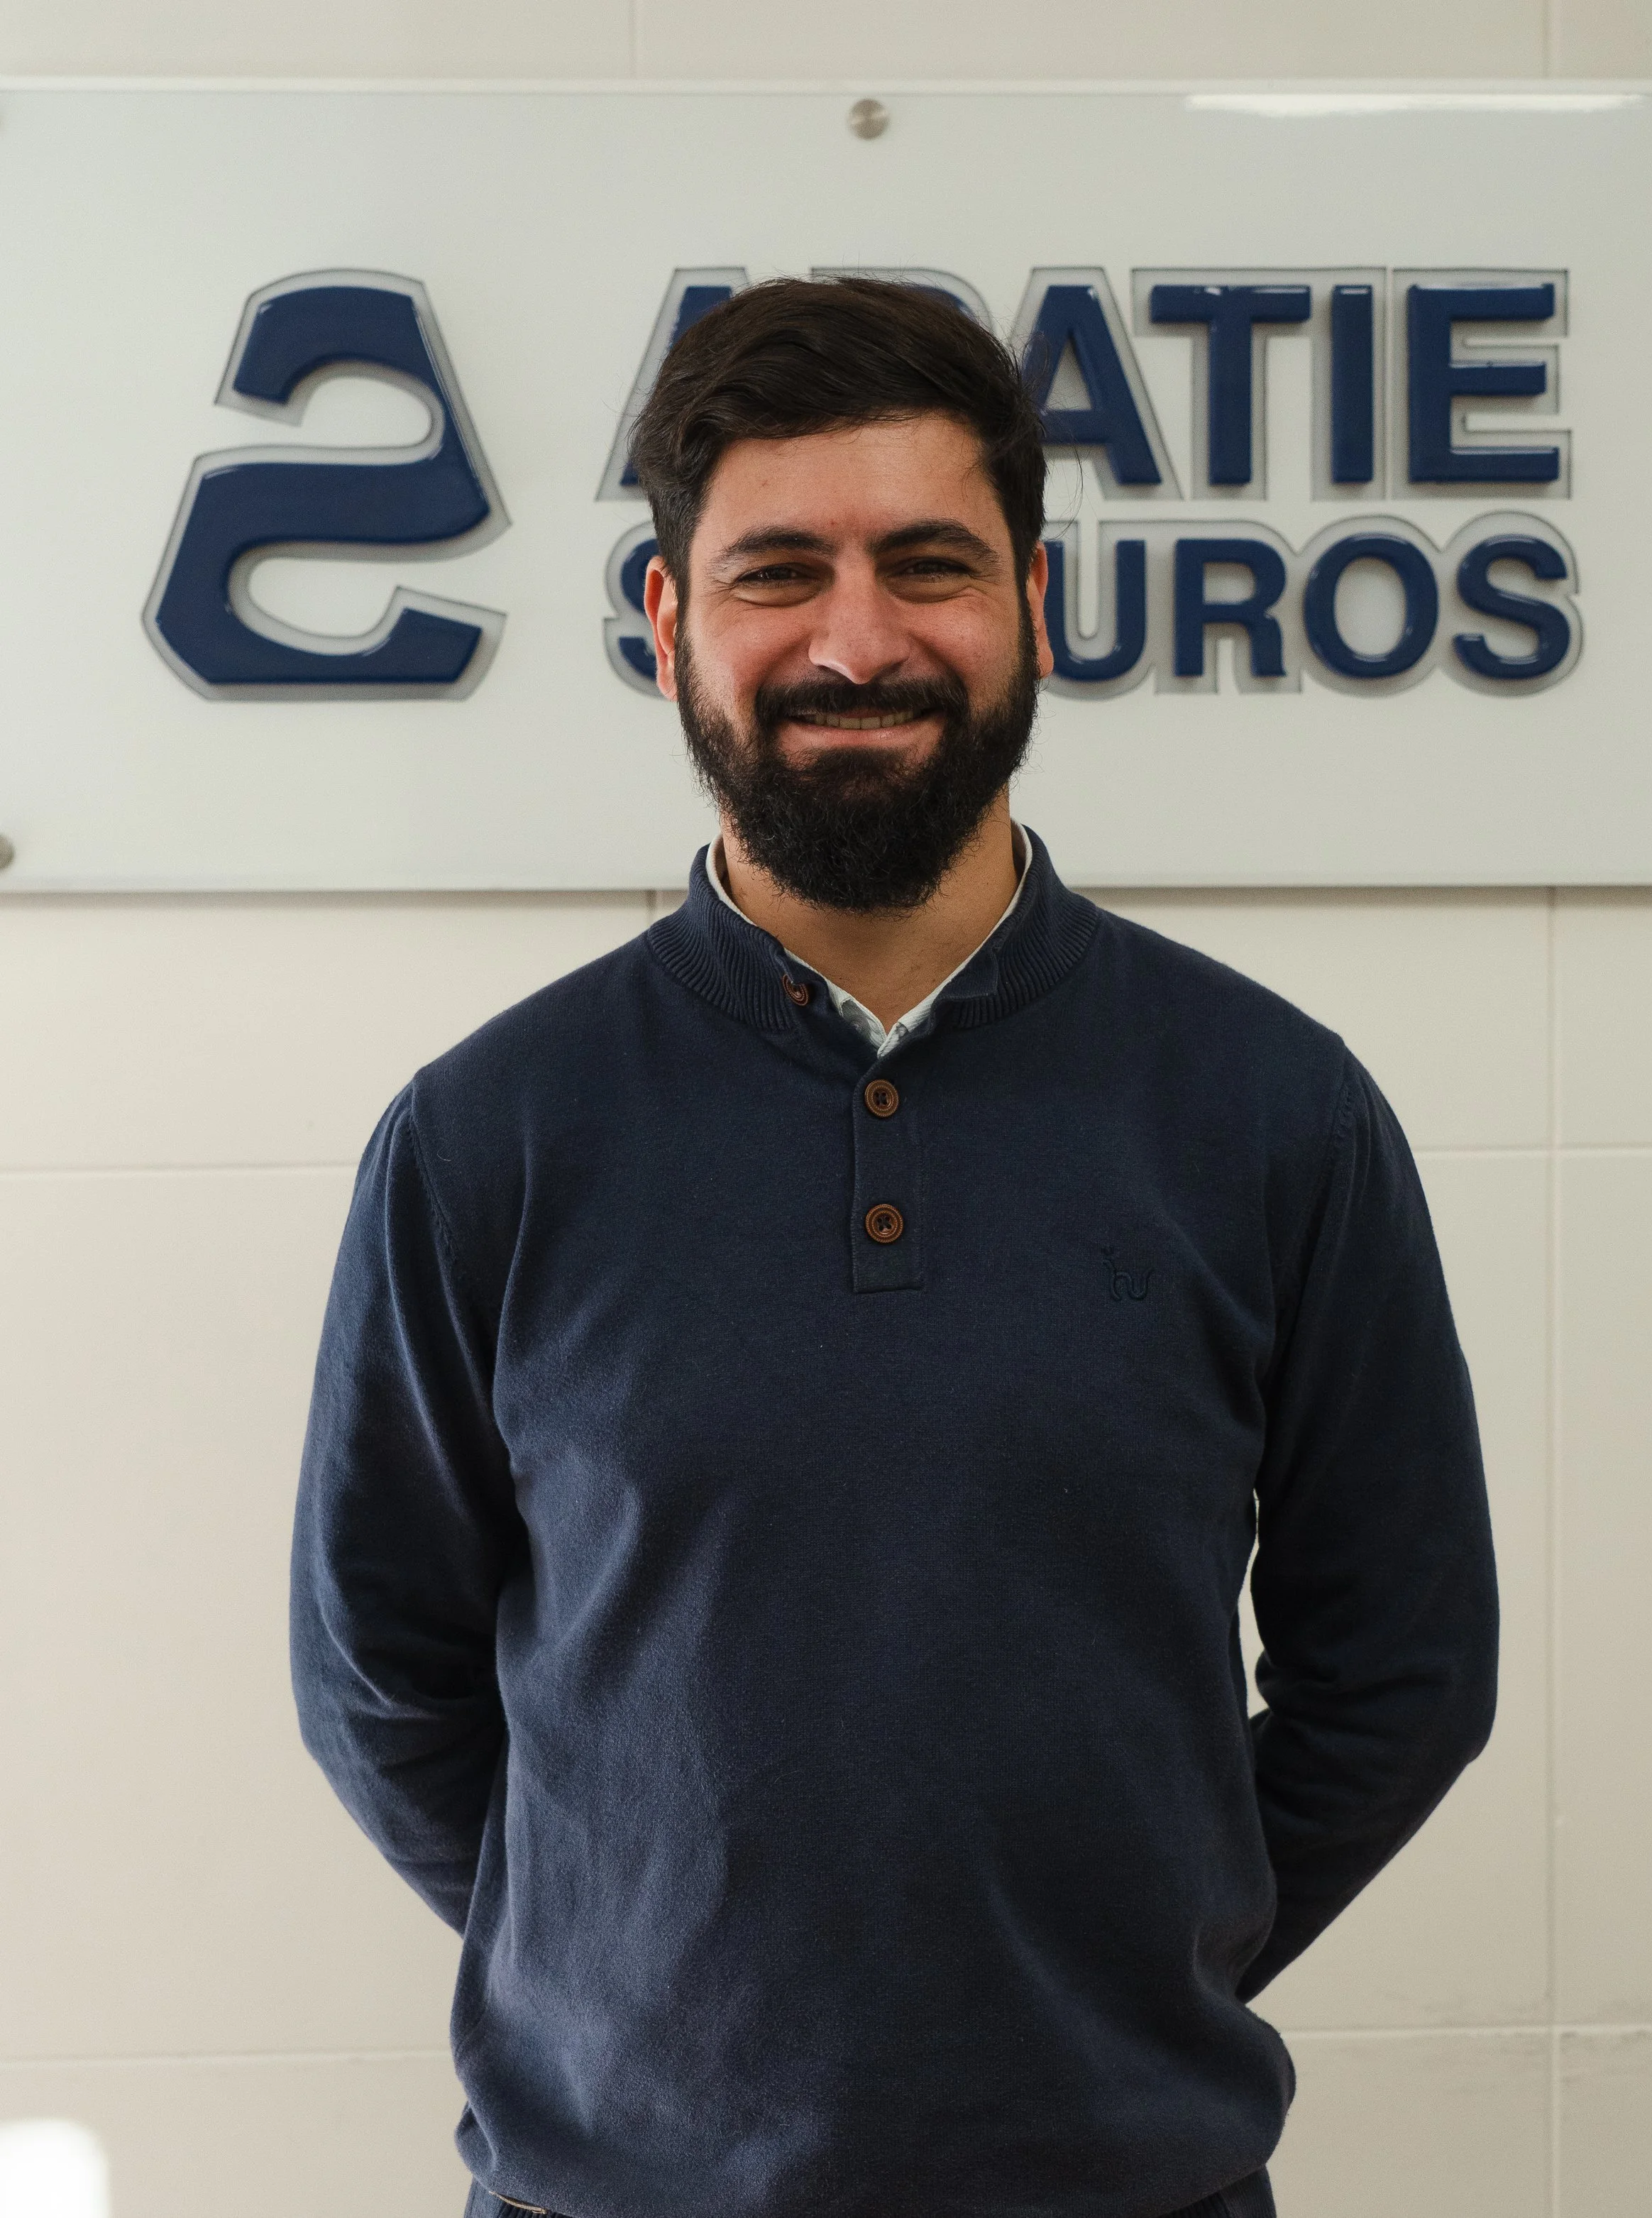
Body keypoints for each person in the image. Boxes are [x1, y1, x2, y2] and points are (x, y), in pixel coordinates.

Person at [291, 278, 1498, 2218]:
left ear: (1030, 604)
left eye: (924, 564)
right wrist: (636, 1974)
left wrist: (1126, 1961)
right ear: (674, 622)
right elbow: (379, 1678)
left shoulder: (1273, 1112)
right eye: (779, 571)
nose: (856, 639)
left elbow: (1406, 1667)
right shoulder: (487, 1136)